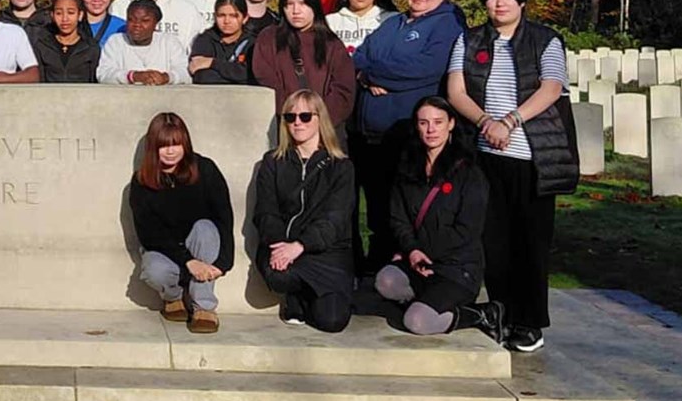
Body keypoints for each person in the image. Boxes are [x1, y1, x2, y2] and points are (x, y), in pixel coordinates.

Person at [446, 0, 577, 353]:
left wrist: (509, 121)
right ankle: (501, 312)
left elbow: (551, 88)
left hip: (532, 157)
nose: (499, 2)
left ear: (521, 0)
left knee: (531, 243)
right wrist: (486, 123)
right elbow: (457, 91)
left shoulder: (545, 40)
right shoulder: (469, 40)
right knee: (493, 241)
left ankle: (530, 322)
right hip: (485, 155)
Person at [351, 0, 464, 277]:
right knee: (377, 208)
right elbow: (360, 56)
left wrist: (373, 74)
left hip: (408, 137)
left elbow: (425, 68)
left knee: (402, 208)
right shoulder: (394, 23)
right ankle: (377, 270)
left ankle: (404, 269)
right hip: (371, 136)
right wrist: (365, 74)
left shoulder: (447, 24)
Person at [375, 96, 505, 341]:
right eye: (423, 123)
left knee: (417, 322)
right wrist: (412, 251)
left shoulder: (469, 173)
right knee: (386, 281)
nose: (431, 129)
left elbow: (467, 230)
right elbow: (398, 218)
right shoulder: (407, 167)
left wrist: (422, 252)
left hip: (456, 267)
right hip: (418, 258)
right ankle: (427, 301)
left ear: (451, 124)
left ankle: (480, 314)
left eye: (438, 122)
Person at [253, 90, 355, 333]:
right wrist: (280, 247)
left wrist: (300, 245)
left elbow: (335, 218)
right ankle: (295, 295)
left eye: (305, 116)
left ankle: (309, 295)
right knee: (278, 275)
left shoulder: (341, 166)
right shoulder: (272, 162)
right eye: (290, 117)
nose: (297, 123)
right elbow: (265, 211)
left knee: (332, 321)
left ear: (320, 119)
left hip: (324, 251)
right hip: (283, 247)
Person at [130, 112, 235, 334]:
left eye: (176, 144)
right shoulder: (141, 181)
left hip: (202, 245)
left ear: (185, 143)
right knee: (153, 271)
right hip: (165, 251)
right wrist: (188, 261)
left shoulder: (205, 169)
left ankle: (203, 307)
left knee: (205, 227)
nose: (170, 151)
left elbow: (224, 217)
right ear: (153, 147)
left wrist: (224, 263)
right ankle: (173, 297)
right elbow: (149, 235)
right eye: (163, 145)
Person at [251, 0, 355, 131]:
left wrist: (318, 122)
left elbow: (343, 90)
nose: (296, 11)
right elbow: (266, 82)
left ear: (314, 4)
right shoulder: (269, 39)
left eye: (303, 3)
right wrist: (294, 117)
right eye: (289, 4)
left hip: (324, 130)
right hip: (283, 127)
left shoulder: (331, 44)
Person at [97, 0, 191, 86]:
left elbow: (185, 73)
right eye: (131, 19)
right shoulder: (116, 42)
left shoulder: (169, 42)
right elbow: (103, 74)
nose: (137, 25)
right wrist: (134, 76)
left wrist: (165, 77)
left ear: (156, 24)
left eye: (145, 21)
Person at [31, 0, 100, 83]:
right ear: (52, 15)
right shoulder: (42, 46)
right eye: (59, 13)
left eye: (70, 13)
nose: (64, 19)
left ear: (80, 15)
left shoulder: (91, 47)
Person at [190, 0, 254, 85]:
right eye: (221, 15)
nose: (227, 21)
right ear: (215, 16)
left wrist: (213, 63)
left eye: (233, 16)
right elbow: (202, 76)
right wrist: (236, 75)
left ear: (245, 18)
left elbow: (251, 74)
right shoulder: (204, 40)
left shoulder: (253, 43)